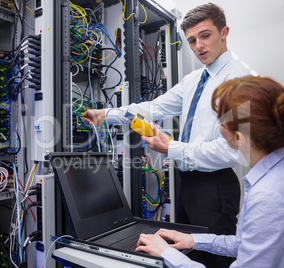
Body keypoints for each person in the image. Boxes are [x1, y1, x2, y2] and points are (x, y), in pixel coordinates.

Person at [82, 3, 251, 267]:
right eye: (192, 40)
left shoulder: (240, 80)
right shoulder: (195, 79)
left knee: (213, 260)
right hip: (188, 182)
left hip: (215, 186)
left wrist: (172, 149)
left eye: (205, 36)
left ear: (224, 32)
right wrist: (106, 114)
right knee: (186, 252)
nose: (198, 46)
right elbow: (154, 108)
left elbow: (232, 150)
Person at [134, 75, 284, 268]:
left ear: (239, 137)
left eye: (220, 122)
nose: (219, 129)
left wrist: (167, 254)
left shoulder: (270, 196)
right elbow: (243, 243)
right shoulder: (281, 177)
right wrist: (194, 240)